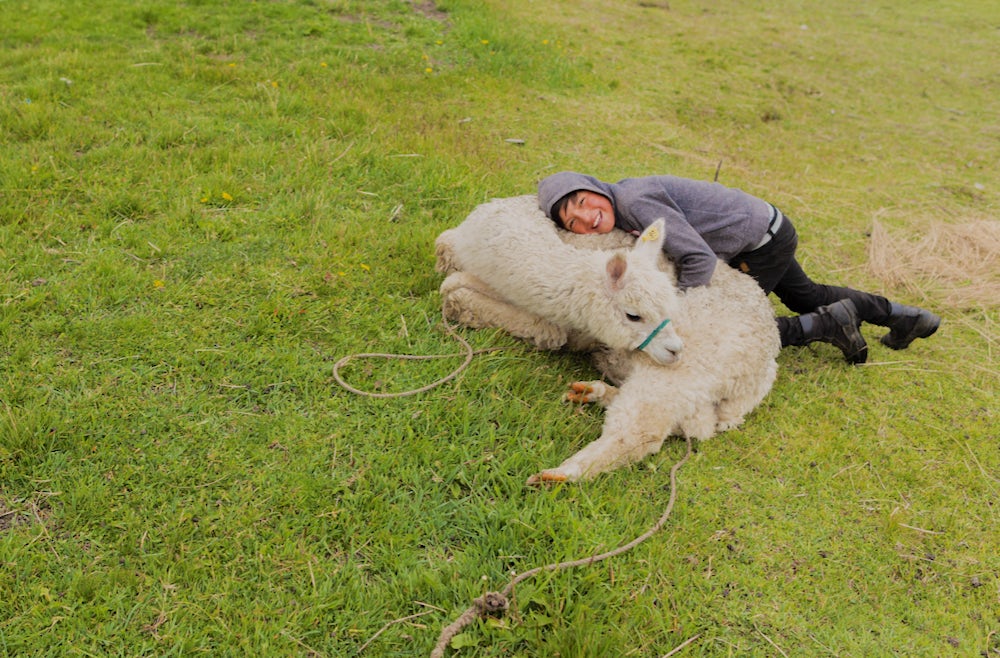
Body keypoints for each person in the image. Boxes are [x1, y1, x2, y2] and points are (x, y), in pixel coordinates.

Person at [537, 171, 940, 364]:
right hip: (768, 226)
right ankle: (906, 317)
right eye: (572, 221)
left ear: (594, 188)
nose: (586, 219)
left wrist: (676, 308)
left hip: (759, 241)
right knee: (806, 295)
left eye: (584, 202)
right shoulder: (623, 200)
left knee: (733, 322)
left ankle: (827, 325)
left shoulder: (636, 202)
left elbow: (698, 258)